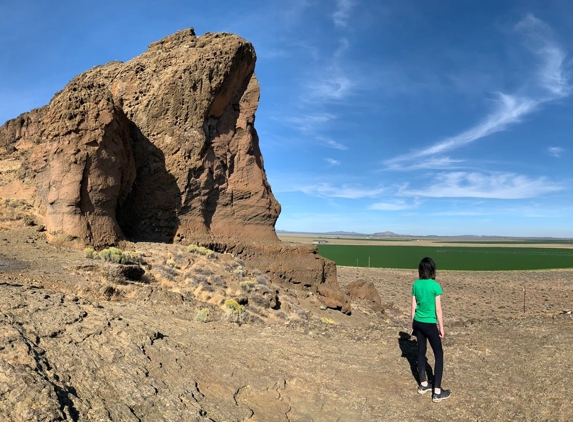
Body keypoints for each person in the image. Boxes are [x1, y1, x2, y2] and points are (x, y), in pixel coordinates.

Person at [411, 257, 451, 403]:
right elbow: (438, 310)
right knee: (439, 355)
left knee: (421, 352)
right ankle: (437, 392)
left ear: (420, 270)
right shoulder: (435, 286)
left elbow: (413, 307)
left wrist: (413, 326)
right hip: (429, 324)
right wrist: (441, 328)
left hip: (418, 323)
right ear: (432, 270)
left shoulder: (415, 285)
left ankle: (423, 384)